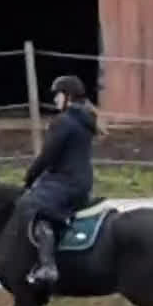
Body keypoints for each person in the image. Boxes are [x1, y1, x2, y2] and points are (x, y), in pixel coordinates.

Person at [17, 74, 97, 286]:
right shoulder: (86, 120)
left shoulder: (64, 122)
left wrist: (29, 178)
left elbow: (47, 156)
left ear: (68, 97)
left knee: (35, 204)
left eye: (57, 95)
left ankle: (47, 266)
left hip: (66, 182)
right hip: (82, 182)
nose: (55, 100)